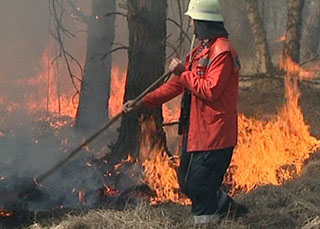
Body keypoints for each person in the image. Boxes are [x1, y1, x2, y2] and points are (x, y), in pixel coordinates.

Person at [123, 0, 247, 225]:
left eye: (192, 20)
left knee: (199, 186)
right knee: (187, 182)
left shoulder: (222, 52)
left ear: (202, 22)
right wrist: (143, 102)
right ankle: (229, 209)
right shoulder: (200, 50)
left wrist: (184, 72)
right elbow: (176, 85)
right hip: (196, 133)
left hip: (215, 135)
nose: (190, 25)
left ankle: (207, 222)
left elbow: (210, 90)